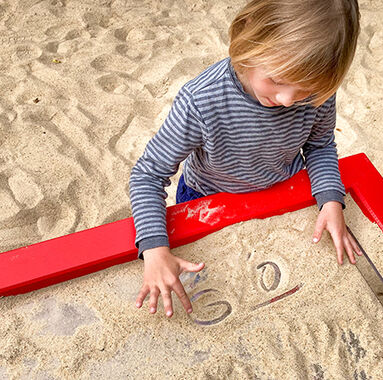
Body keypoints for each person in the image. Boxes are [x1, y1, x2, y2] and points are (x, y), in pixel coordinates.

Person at [129, 0, 362, 318]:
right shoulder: (201, 101)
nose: (287, 100)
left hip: (284, 195)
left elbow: (320, 145)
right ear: (248, 37)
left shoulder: (318, 89)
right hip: (208, 197)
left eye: (305, 91)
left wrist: (331, 200)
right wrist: (154, 249)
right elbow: (148, 174)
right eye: (277, 80)